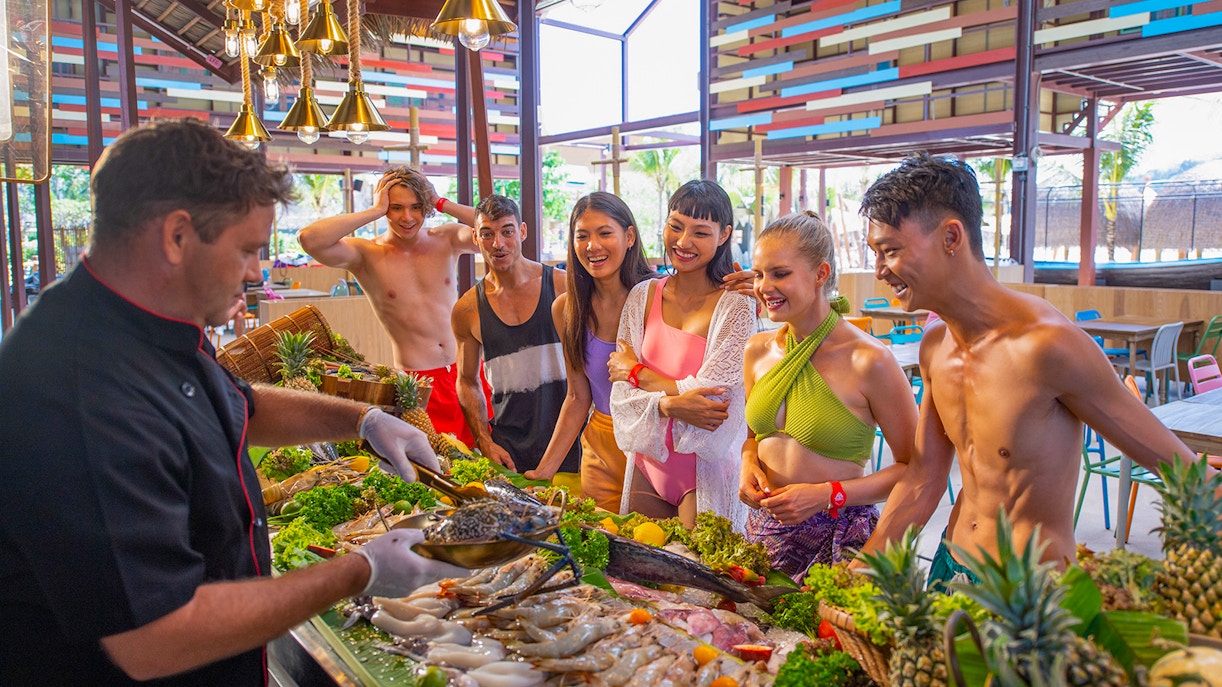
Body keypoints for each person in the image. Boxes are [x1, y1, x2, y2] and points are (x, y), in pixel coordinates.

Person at [0, 119, 466, 685]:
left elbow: (236, 403)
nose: (254, 273)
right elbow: (156, 638)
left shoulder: (147, 324)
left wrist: (364, 419)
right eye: (247, 250)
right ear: (176, 236)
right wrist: (360, 570)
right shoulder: (75, 387)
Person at [852, 152, 1207, 586]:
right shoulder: (935, 347)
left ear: (950, 237)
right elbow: (924, 480)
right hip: (949, 564)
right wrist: (861, 570)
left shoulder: (1047, 346)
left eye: (890, 251)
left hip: (1027, 592)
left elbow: (1182, 469)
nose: (879, 271)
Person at [738, 211, 918, 583]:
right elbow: (754, 438)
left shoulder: (870, 360)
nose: (763, 286)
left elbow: (915, 471)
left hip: (839, 542)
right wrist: (747, 466)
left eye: (780, 273)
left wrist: (827, 494)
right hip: (762, 536)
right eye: (758, 274)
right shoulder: (757, 350)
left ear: (821, 274)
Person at [299, 166, 487, 446]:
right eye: (396, 207)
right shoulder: (366, 254)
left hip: (468, 372)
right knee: (436, 471)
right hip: (419, 384)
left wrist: (439, 202)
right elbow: (309, 239)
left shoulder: (446, 239)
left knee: (489, 461)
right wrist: (374, 210)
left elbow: (494, 226)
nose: (407, 217)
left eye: (415, 207)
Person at [609, 180, 756, 529]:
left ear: (724, 235)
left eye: (701, 232)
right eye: (675, 226)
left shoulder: (736, 304)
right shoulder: (643, 296)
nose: (683, 242)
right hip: (647, 464)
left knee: (698, 580)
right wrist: (670, 403)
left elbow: (712, 397)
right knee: (637, 573)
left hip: (703, 471)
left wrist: (638, 374)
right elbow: (621, 396)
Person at [525, 192, 656, 510]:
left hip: (653, 446)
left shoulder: (660, 299)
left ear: (629, 236)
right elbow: (577, 397)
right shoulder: (566, 309)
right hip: (601, 447)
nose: (592, 246)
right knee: (601, 545)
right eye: (582, 236)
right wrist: (544, 471)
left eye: (604, 233)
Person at [451, 195, 579, 475]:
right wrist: (484, 442)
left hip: (573, 446)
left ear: (522, 231)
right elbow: (466, 380)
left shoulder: (561, 286)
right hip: (510, 453)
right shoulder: (467, 309)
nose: (498, 244)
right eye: (487, 234)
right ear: (475, 237)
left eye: (507, 231)